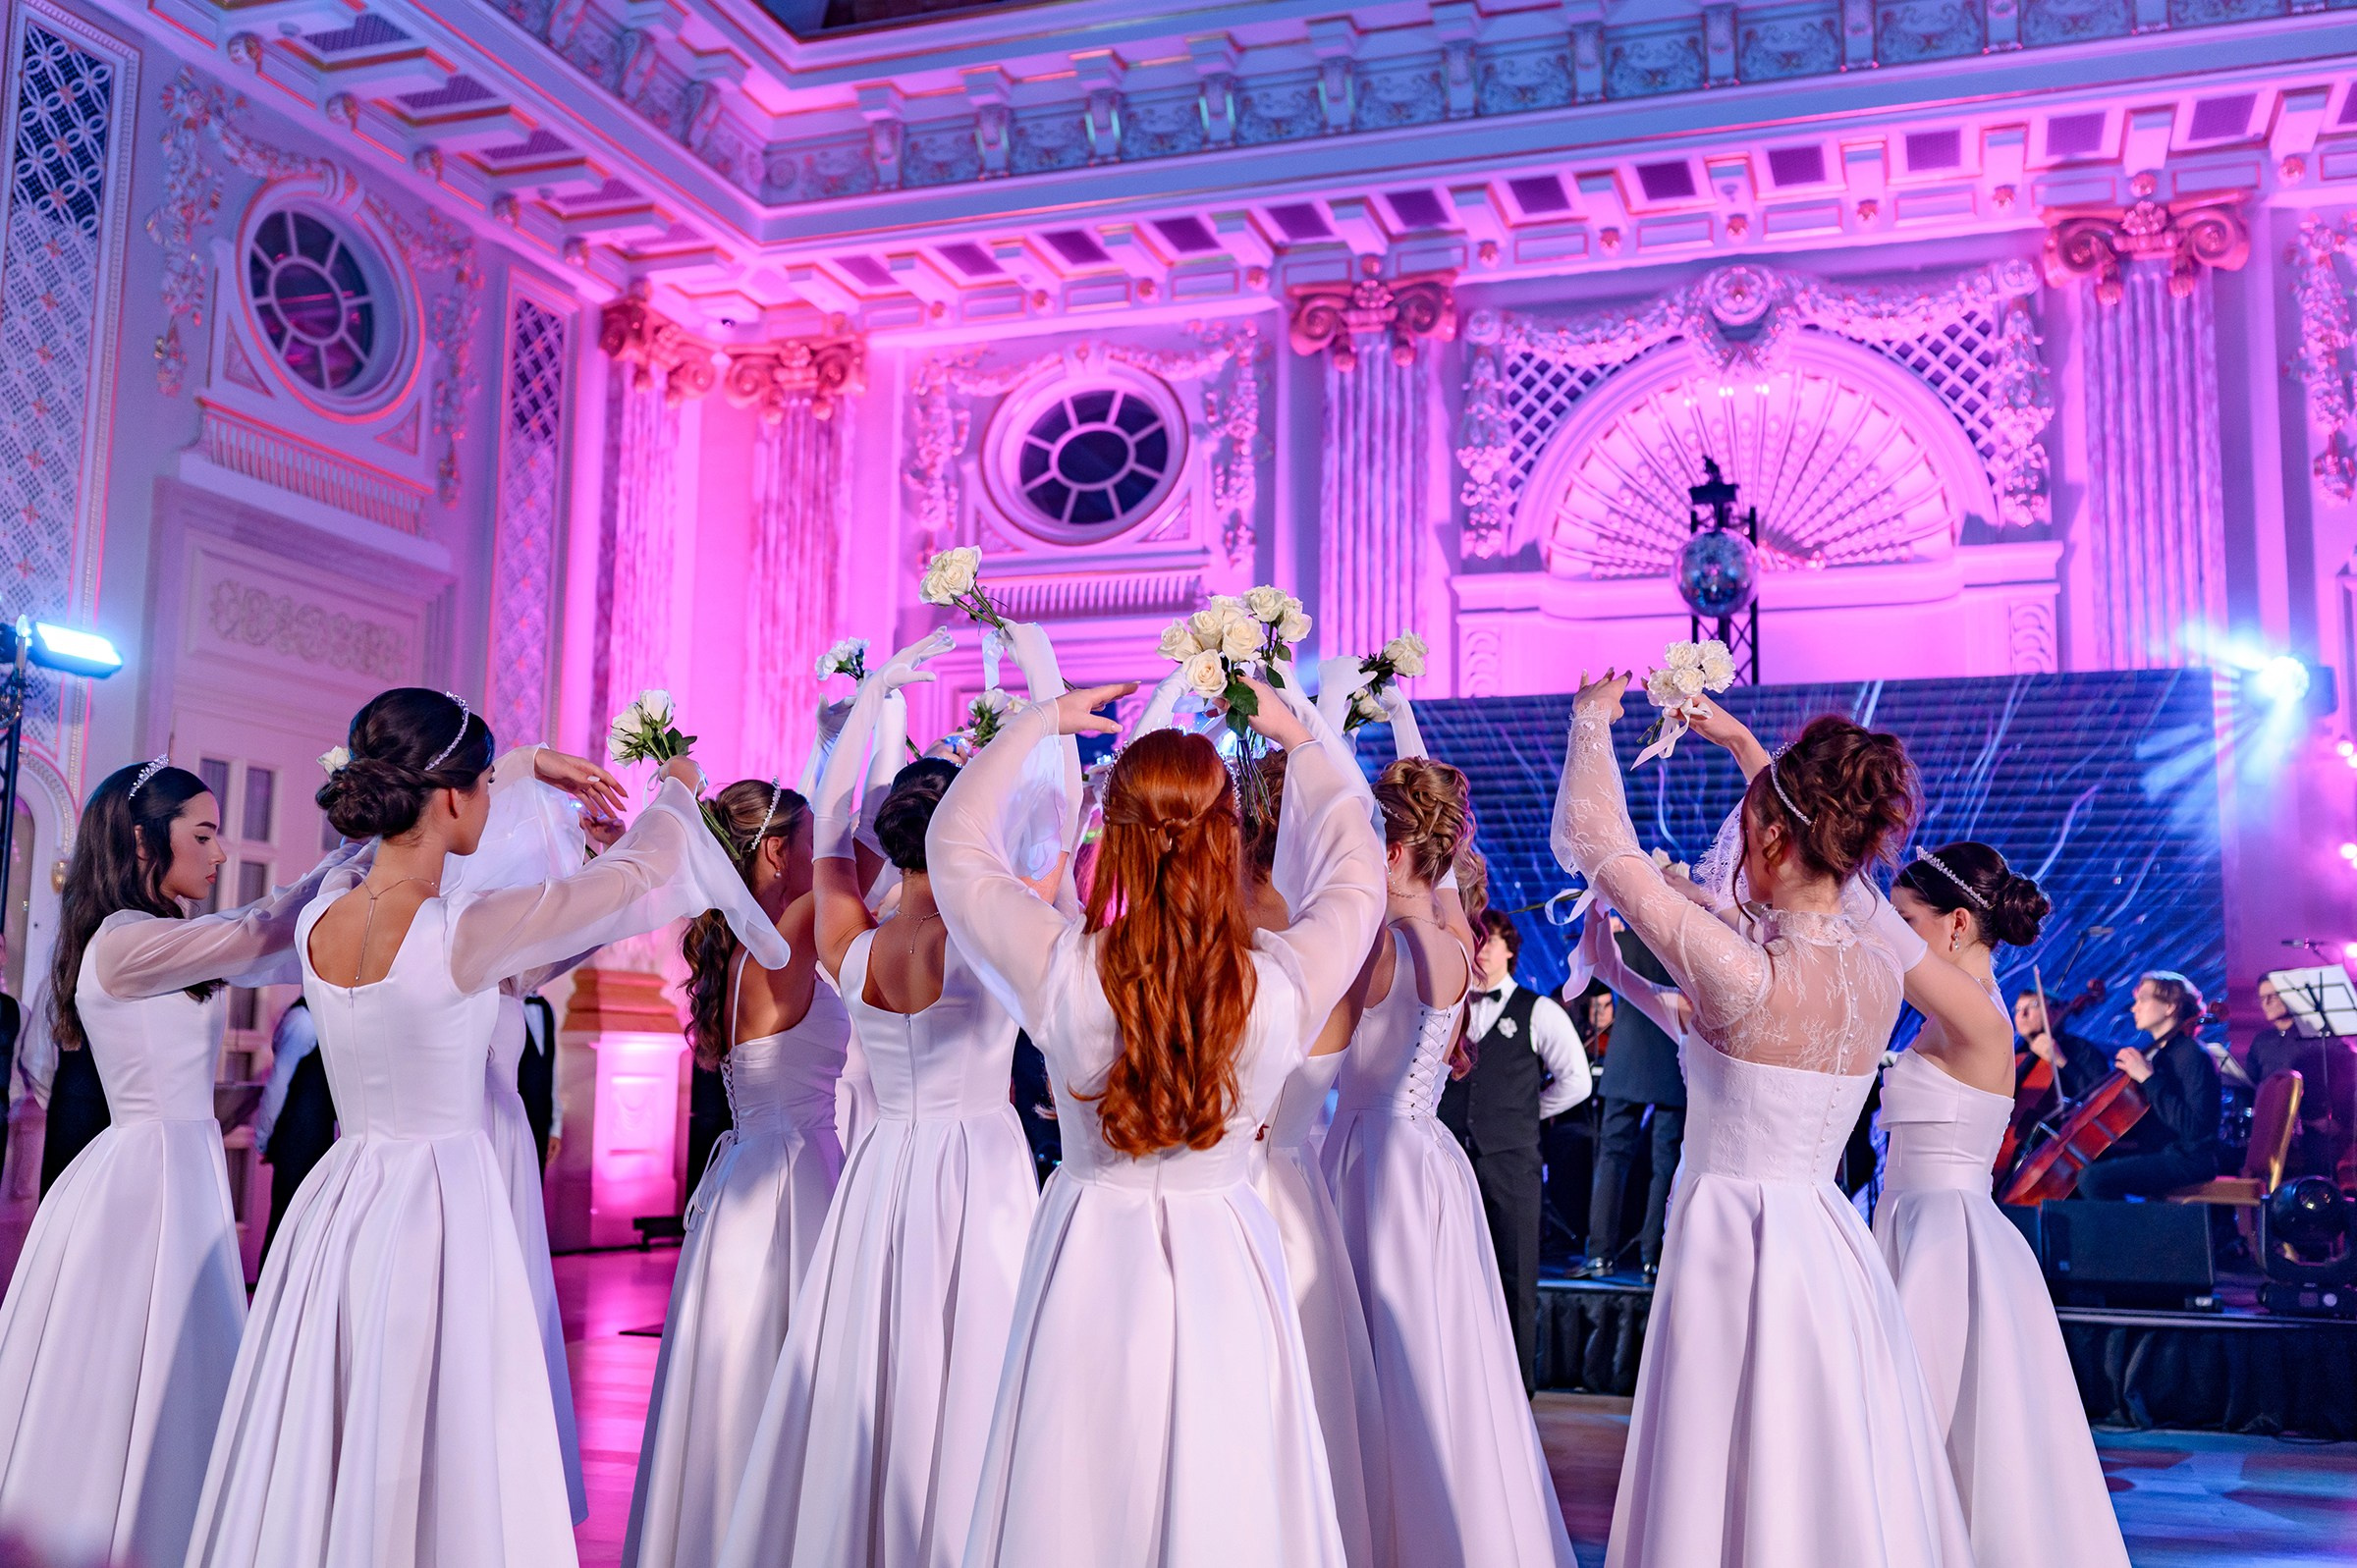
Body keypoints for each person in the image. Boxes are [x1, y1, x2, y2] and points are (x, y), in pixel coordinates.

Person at [187, 687, 776, 1568]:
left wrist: (524, 765)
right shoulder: (463, 931)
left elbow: (379, 853)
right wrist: (678, 790)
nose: (494, 804)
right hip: (439, 1200)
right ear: (453, 798)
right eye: (486, 786)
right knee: (444, 1411)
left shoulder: (322, 910)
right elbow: (632, 879)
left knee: (341, 1406)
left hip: (341, 1197)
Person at [932, 674, 1384, 1568]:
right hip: (1228, 1253)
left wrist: (1038, 724)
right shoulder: (1279, 984)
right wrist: (1302, 739)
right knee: (1230, 1495)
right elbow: (1356, 874)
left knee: (1080, 1498)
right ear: (1229, 837)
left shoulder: (1060, 970)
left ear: (1115, 838)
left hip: (1087, 1253)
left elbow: (955, 847)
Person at [1556, 676, 1992, 1568]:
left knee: (1726, 1462)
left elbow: (1601, 840)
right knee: (1823, 1465)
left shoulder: (1745, 972)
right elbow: (1816, 912)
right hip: (1829, 1243)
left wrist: (1590, 719)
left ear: (1768, 837)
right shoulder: (1878, 968)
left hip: (1734, 1242)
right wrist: (1742, 758)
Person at [721, 628, 1048, 1568]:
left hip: (881, 1170)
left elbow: (828, 834)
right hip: (977, 1169)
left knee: (877, 1353)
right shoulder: (989, 937)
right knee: (974, 1359)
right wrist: (1040, 699)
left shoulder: (850, 942)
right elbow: (1058, 825)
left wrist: (870, 708)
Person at [0, 760, 362, 1568]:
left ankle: (175, 1522)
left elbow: (261, 941)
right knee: (127, 1361)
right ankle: (107, 1529)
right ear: (142, 840)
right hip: (144, 1179)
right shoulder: (124, 940)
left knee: (179, 1359)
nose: (220, 852)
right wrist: (363, 853)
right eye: (203, 834)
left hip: (180, 1165)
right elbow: (256, 931)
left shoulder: (160, 936)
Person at [1325, 755, 1574, 1568]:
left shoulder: (1375, 949)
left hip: (1369, 1158)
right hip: (1428, 1156)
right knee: (1441, 1352)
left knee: (1378, 1352)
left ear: (1394, 851)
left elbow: (1318, 1054)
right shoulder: (1457, 944)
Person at [1872, 838, 2130, 1568]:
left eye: (1907, 919)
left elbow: (1860, 921)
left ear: (1957, 923)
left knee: (1924, 1421)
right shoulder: (1950, 1007)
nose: (1893, 933)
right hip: (1909, 1220)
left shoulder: (1978, 1013)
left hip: (1945, 1237)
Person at [623, 775, 846, 1568]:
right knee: (782, 1372)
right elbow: (869, 860)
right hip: (791, 1181)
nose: (823, 857)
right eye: (811, 842)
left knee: (733, 1380)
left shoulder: (745, 948)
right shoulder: (791, 934)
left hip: (746, 1182)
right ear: (779, 852)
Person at [1238, 741, 1392, 1568]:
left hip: (1219, 1189)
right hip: (1296, 1198)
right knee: (1312, 1397)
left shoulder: (1211, 926)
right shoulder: (1349, 932)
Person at [1441, 907, 1592, 1393]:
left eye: (1490, 941)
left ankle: (1518, 1391)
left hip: (1512, 1162)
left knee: (1515, 1277)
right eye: (1475, 940)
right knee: (1449, 1273)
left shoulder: (1538, 1010)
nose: (1481, 949)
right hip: (1449, 1160)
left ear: (1510, 949)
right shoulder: (1449, 1008)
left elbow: (1577, 1081)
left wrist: (1528, 1114)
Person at [1579, 919, 1685, 1281]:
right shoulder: (1685, 943)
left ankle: (1599, 1254)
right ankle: (1654, 1258)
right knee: (1665, 1161)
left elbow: (1590, 983)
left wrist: (1600, 931)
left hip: (1627, 1057)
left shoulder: (1623, 940)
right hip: (1672, 1055)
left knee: (1612, 1156)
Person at [2073, 972, 2222, 1200]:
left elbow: (2196, 1129)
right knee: (2082, 1166)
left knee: (2093, 1179)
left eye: (2142, 999)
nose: (2134, 1008)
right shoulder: (2161, 1055)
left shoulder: (2193, 1054)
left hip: (2189, 1159)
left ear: (2170, 1007)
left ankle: (2135, 1225)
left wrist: (2147, 1078)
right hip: (2162, 1150)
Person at [2246, 974, 2354, 1180]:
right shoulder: (2262, 1041)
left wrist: (2340, 1121)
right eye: (2262, 998)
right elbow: (2250, 1085)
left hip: (2315, 1134)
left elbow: (2350, 1078)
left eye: (2273, 996)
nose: (2266, 1003)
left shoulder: (2317, 1036)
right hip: (2272, 1133)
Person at [252, 998, 335, 1265]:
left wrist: (263, 1137)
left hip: (304, 1137)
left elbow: (278, 1084)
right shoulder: (312, 1019)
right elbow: (279, 1083)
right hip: (306, 1137)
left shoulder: (303, 1020)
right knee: (287, 1227)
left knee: (293, 1228)